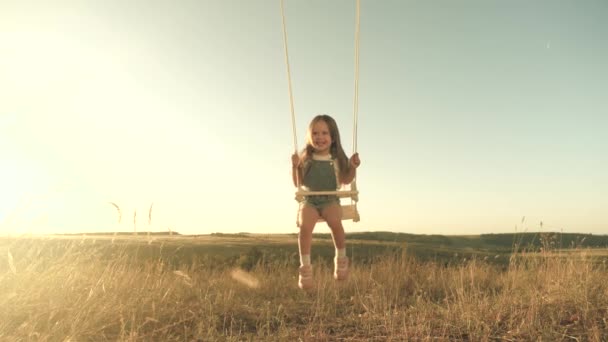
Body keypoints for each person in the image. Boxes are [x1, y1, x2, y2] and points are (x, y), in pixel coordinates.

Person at [291, 114, 361, 290]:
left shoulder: (336, 159)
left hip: (330, 200)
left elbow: (345, 179)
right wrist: (295, 166)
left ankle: (341, 259)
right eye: (315, 133)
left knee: (335, 222)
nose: (319, 137)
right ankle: (305, 268)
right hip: (310, 200)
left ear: (333, 137)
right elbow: (298, 183)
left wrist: (352, 167)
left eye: (324, 133)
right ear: (309, 136)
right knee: (305, 227)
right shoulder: (306, 158)